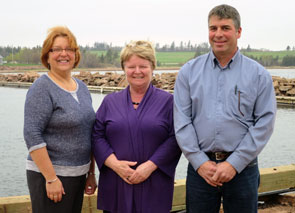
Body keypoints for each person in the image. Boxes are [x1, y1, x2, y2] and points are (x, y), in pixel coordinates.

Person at [174, 4, 276, 213]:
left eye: (225, 28)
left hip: (243, 169)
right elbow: (182, 121)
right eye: (213, 28)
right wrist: (200, 162)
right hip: (200, 170)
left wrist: (234, 163)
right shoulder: (188, 73)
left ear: (238, 32)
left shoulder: (258, 75)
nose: (218, 34)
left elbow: (265, 122)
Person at [92, 40, 181, 213]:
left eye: (143, 66)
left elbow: (176, 138)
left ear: (153, 67)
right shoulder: (110, 102)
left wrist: (149, 166)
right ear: (124, 69)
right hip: (116, 181)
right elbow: (97, 136)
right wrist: (116, 165)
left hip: (154, 182)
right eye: (131, 66)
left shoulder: (168, 102)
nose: (137, 71)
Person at [24, 26, 97, 213]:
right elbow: (32, 134)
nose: (63, 54)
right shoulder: (42, 88)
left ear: (76, 54)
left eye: (69, 49)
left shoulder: (82, 88)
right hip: (51, 179)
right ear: (47, 56)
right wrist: (51, 178)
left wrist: (90, 173)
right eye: (56, 49)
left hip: (78, 175)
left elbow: (89, 132)